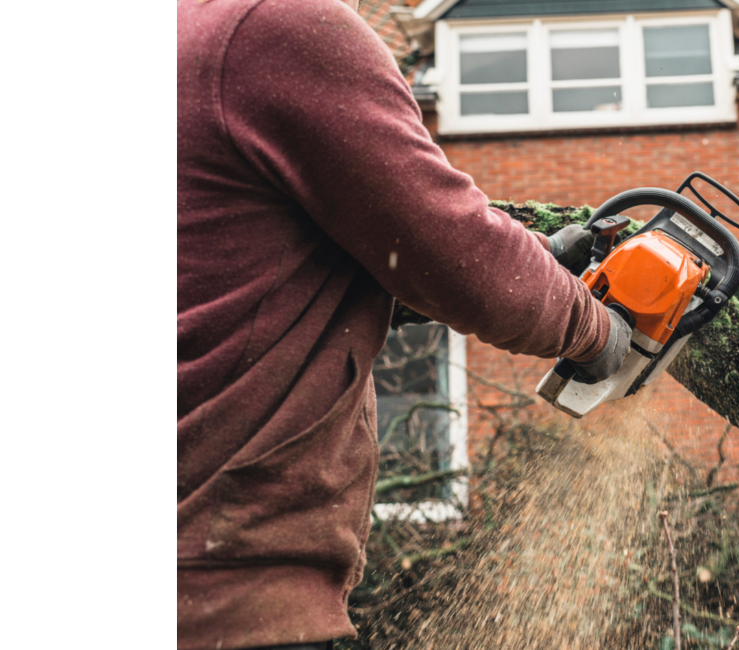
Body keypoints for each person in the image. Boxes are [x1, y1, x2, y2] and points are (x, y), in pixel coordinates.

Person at [176, 0, 631, 648]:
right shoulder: (276, 26)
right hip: (222, 587)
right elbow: (450, 249)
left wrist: (539, 260)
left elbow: (241, 274)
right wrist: (598, 332)